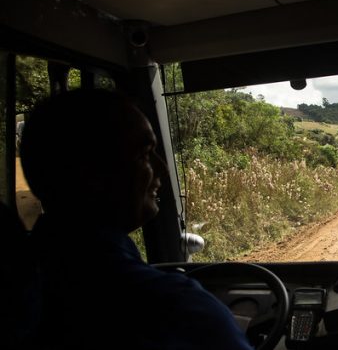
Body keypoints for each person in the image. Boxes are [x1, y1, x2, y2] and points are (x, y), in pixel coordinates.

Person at [20, 89, 253, 349]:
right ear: (91, 174)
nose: (162, 168)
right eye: (144, 154)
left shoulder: (21, 280)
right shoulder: (175, 307)